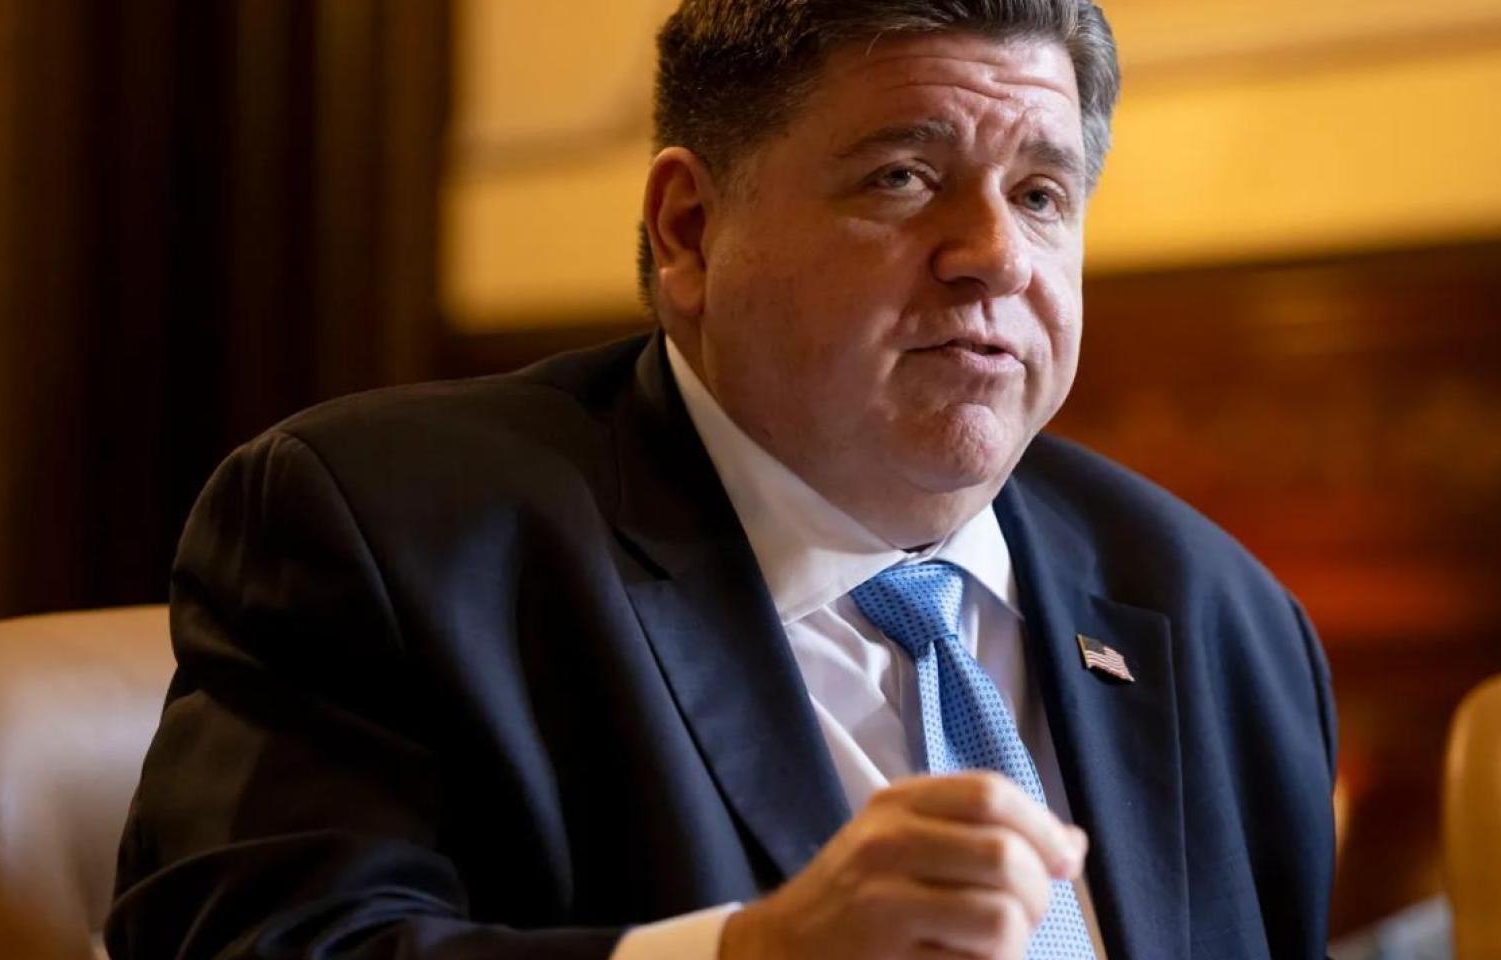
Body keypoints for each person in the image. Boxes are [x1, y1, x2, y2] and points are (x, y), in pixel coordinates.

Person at [107, 1, 1337, 958]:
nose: (992, 256)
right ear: (688, 230)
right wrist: (749, 956)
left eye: (1039, 195)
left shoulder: (1213, 615)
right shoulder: (392, 533)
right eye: (901, 178)